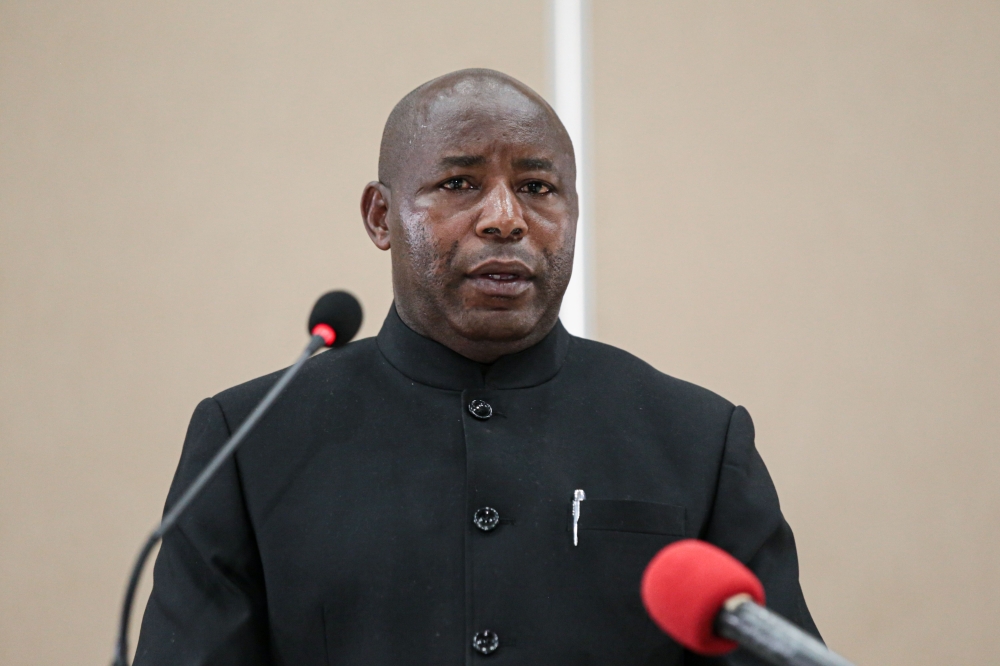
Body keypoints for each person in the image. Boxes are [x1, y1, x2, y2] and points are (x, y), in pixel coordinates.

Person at [135, 68, 819, 665]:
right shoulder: (250, 440)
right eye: (460, 182)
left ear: (573, 212)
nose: (505, 218)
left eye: (538, 187)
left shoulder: (697, 440)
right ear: (381, 217)